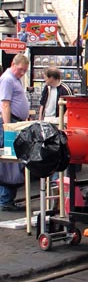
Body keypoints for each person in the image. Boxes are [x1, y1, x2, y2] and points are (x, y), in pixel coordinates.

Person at [0, 54, 30, 211]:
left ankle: (7, 199)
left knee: (12, 160)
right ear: (13, 64)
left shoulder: (14, 78)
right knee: (8, 163)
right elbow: (5, 104)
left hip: (15, 122)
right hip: (10, 123)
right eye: (20, 70)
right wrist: (8, 127)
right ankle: (5, 200)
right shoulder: (7, 79)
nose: (22, 73)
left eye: (25, 71)